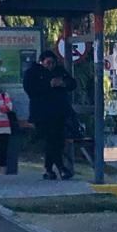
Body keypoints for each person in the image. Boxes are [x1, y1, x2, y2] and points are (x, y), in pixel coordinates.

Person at [23, 50, 77, 180]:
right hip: (42, 114)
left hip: (59, 113)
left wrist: (63, 83)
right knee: (51, 139)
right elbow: (30, 89)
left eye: (53, 62)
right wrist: (49, 85)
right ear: (42, 62)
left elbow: (72, 84)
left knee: (56, 141)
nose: (51, 65)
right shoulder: (32, 73)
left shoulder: (60, 71)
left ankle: (48, 170)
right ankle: (60, 167)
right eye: (48, 63)